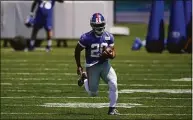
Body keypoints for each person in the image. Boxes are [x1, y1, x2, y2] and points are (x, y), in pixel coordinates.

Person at [74, 13, 119, 115]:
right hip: (92, 66)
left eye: (101, 25)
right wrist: (79, 66)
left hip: (104, 65)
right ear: (92, 25)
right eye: (97, 25)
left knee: (113, 83)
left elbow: (113, 52)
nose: (99, 27)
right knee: (92, 93)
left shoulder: (109, 36)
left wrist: (110, 55)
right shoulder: (86, 37)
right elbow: (77, 51)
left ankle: (112, 109)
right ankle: (84, 77)